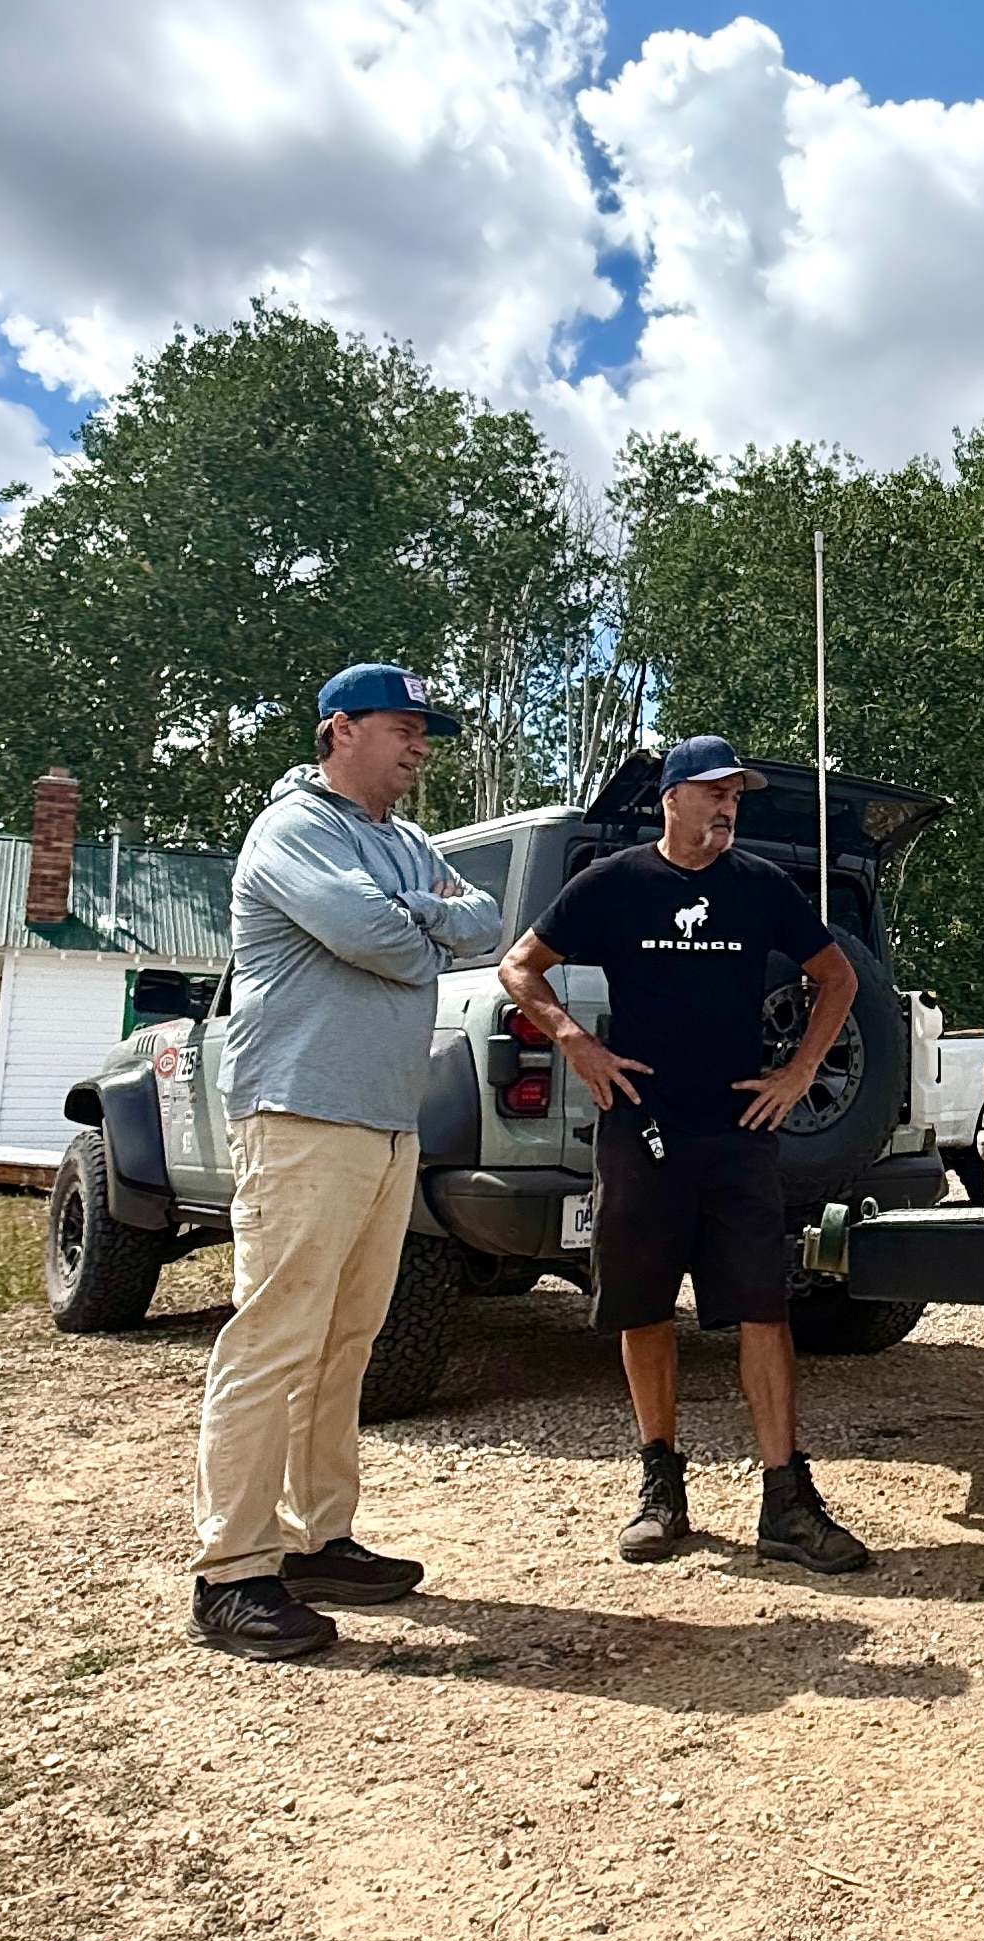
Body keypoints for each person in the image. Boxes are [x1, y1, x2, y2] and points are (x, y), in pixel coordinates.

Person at [496, 735, 873, 1575]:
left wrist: (801, 1069)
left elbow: (837, 977)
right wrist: (575, 1045)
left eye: (735, 794)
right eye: (712, 792)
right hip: (642, 1126)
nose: (728, 807)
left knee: (762, 1308)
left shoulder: (760, 888)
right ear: (671, 798)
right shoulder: (616, 884)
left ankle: (785, 1500)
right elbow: (519, 967)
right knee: (643, 1306)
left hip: (737, 1132)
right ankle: (660, 1488)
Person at [189, 665, 502, 1663]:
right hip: (299, 1115)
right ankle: (232, 1572)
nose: (419, 744)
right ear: (340, 730)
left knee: (345, 1342)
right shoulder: (292, 828)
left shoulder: (403, 842)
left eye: (425, 729)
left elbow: (484, 921)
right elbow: (386, 938)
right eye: (402, 726)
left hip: (383, 1122)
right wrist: (420, 921)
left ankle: (317, 1539)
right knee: (275, 1337)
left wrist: (410, 913)